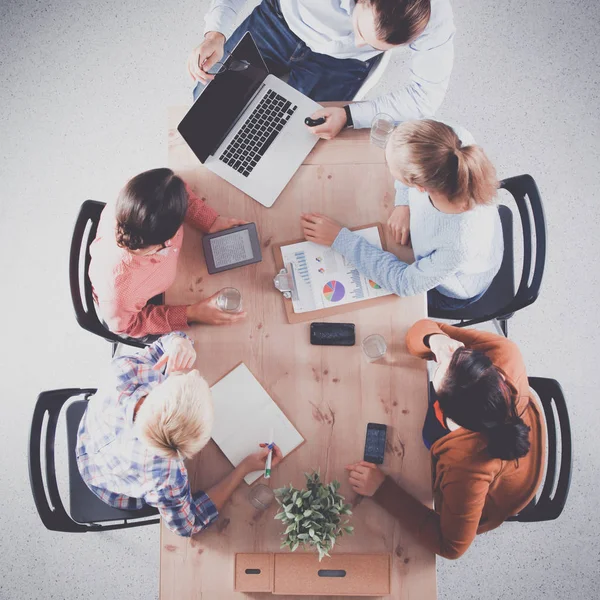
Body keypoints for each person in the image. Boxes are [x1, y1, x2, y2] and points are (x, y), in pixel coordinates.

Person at [345, 320, 545, 559]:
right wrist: (437, 341)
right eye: (456, 355)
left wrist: (382, 489)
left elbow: (452, 547)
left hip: (501, 491)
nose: (440, 359)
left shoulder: (467, 467)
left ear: (443, 413)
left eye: (440, 367)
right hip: (513, 432)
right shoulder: (505, 354)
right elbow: (425, 326)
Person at [76, 332, 283, 537]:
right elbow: (188, 525)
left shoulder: (123, 372)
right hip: (107, 486)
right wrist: (243, 469)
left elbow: (161, 346)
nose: (193, 373)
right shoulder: (165, 476)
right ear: (180, 455)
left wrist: (177, 342)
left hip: (89, 439)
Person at [300, 120, 503, 310]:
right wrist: (403, 203)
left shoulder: (458, 243)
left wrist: (341, 239)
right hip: (438, 254)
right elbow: (410, 151)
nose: (387, 167)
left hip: (453, 287)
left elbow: (405, 284)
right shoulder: (450, 139)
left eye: (390, 167)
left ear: (418, 186)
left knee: (390, 308)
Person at [188, 0, 455, 139]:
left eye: (373, 44)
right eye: (360, 30)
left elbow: (426, 96)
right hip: (279, 19)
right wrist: (216, 31)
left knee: (296, 138)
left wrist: (349, 115)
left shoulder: (432, 15)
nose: (356, 42)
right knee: (205, 108)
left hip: (344, 65)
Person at [89, 168, 248, 338]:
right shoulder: (121, 294)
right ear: (164, 243)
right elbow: (127, 327)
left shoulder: (136, 190)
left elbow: (173, 190)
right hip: (129, 305)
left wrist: (210, 221)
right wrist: (192, 313)